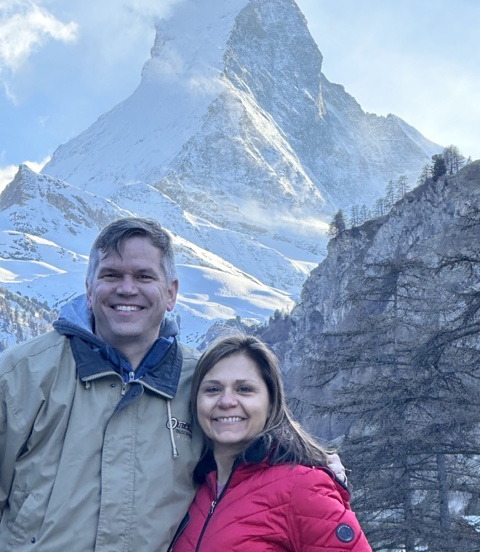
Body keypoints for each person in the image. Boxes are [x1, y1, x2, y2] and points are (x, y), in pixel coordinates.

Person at [0, 217, 346, 551]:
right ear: (90, 290)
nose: (127, 288)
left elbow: (254, 448)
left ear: (171, 293)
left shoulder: (202, 383)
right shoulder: (21, 374)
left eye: (144, 276)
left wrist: (315, 466)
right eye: (111, 275)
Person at [169, 332, 372, 552]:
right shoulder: (194, 489)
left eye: (244, 389)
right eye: (213, 389)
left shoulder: (302, 487)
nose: (226, 401)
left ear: (271, 402)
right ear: (196, 402)